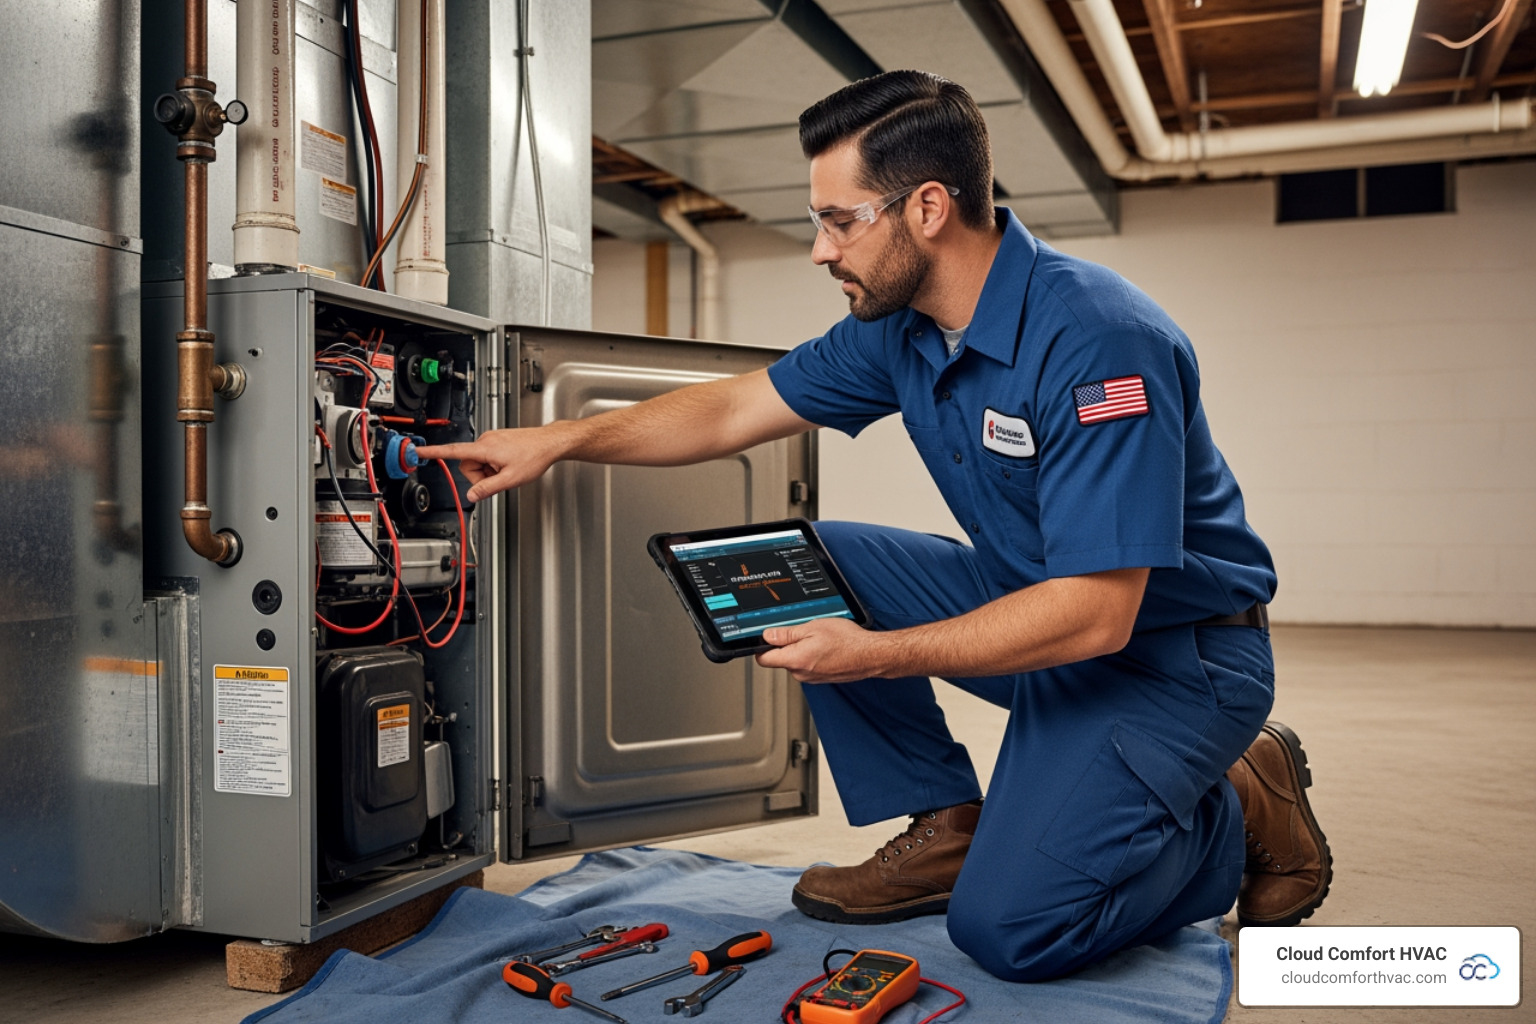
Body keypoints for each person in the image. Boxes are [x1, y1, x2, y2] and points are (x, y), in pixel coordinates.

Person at [416, 70, 1331, 982]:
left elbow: (1097, 615)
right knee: (813, 562)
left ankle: (1238, 807)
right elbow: (735, 411)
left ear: (928, 207)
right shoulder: (904, 327)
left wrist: (877, 654)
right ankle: (946, 822)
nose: (820, 249)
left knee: (1013, 932)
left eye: (839, 220)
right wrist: (564, 437)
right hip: (1041, 614)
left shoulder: (1098, 341)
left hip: (1172, 661)